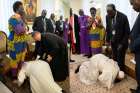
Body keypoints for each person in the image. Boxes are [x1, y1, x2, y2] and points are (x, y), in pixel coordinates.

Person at [106, 4, 130, 71]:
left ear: (114, 10)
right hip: (113, 42)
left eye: (110, 13)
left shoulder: (123, 17)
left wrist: (122, 44)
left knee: (120, 60)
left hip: (121, 42)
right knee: (115, 58)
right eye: (107, 13)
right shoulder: (107, 16)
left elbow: (127, 32)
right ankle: (116, 72)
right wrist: (107, 40)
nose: (109, 15)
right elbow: (108, 29)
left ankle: (121, 74)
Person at [8, 1, 28, 80]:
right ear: (16, 9)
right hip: (15, 44)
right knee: (14, 61)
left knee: (21, 60)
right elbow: (20, 31)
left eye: (23, 7)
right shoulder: (13, 18)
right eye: (21, 7)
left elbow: (25, 29)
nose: (23, 9)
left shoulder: (21, 18)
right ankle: (14, 77)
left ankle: (20, 75)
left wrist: (23, 20)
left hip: (22, 43)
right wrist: (22, 19)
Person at [129, 0, 140, 93]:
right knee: (138, 71)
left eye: (132, 4)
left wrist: (132, 46)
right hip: (138, 51)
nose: (132, 7)